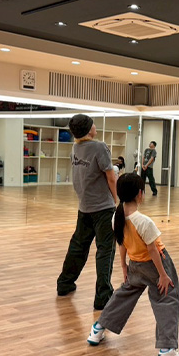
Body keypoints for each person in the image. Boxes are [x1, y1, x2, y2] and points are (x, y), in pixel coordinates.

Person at [86, 173, 179, 356]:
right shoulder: (143, 221)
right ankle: (167, 352)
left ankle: (98, 328)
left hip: (135, 264)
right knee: (168, 299)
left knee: (125, 294)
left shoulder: (116, 217)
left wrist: (124, 266)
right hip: (155, 265)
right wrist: (163, 275)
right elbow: (153, 250)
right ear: (140, 194)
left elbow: (122, 243)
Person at [57, 114, 118, 310]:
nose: (95, 125)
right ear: (88, 128)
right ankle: (103, 296)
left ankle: (64, 283)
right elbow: (111, 178)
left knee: (78, 247)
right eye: (93, 123)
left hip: (84, 207)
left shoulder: (75, 148)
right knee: (105, 250)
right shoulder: (100, 147)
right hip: (103, 208)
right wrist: (117, 200)